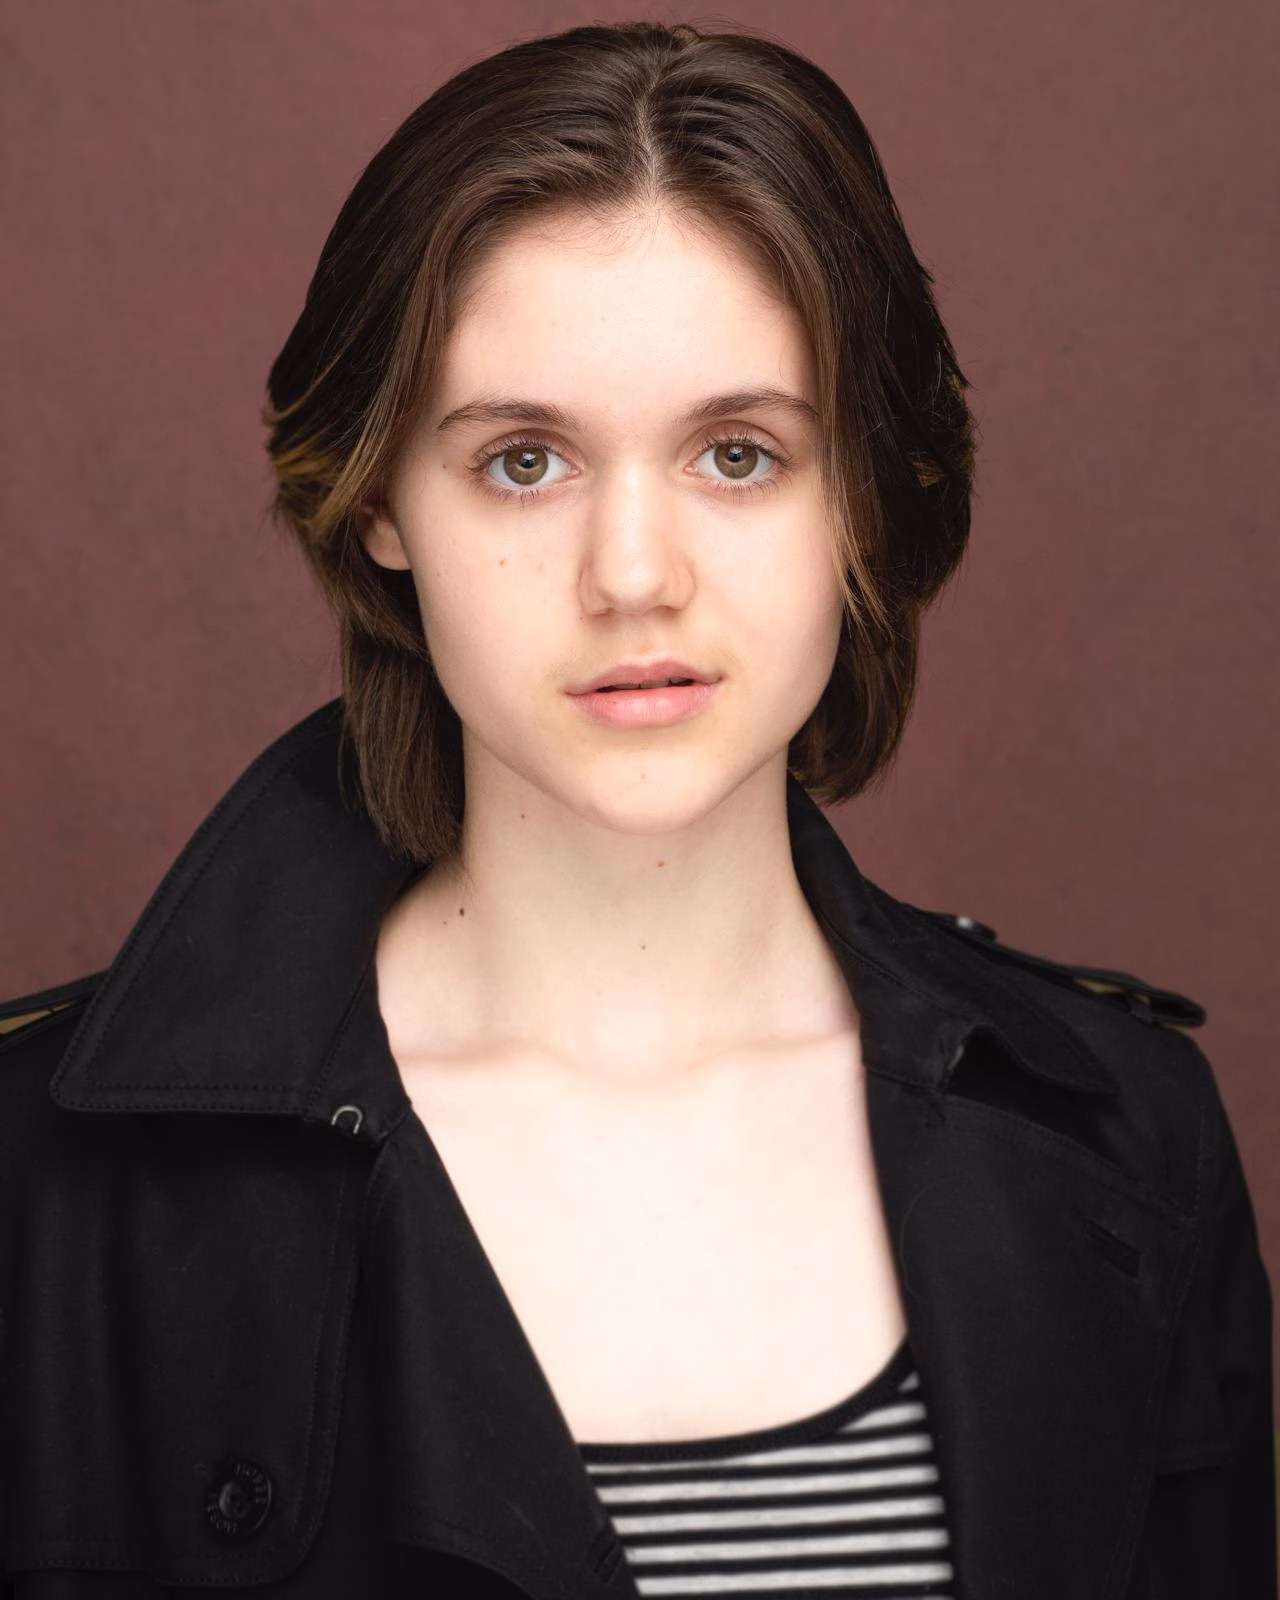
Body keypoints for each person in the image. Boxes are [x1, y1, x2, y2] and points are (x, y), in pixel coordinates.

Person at [0, 19, 1272, 1600]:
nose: (634, 575)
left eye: (738, 454)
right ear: (380, 498)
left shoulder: (1131, 1133)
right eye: (524, 462)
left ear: (868, 497)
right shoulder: (44, 1184)